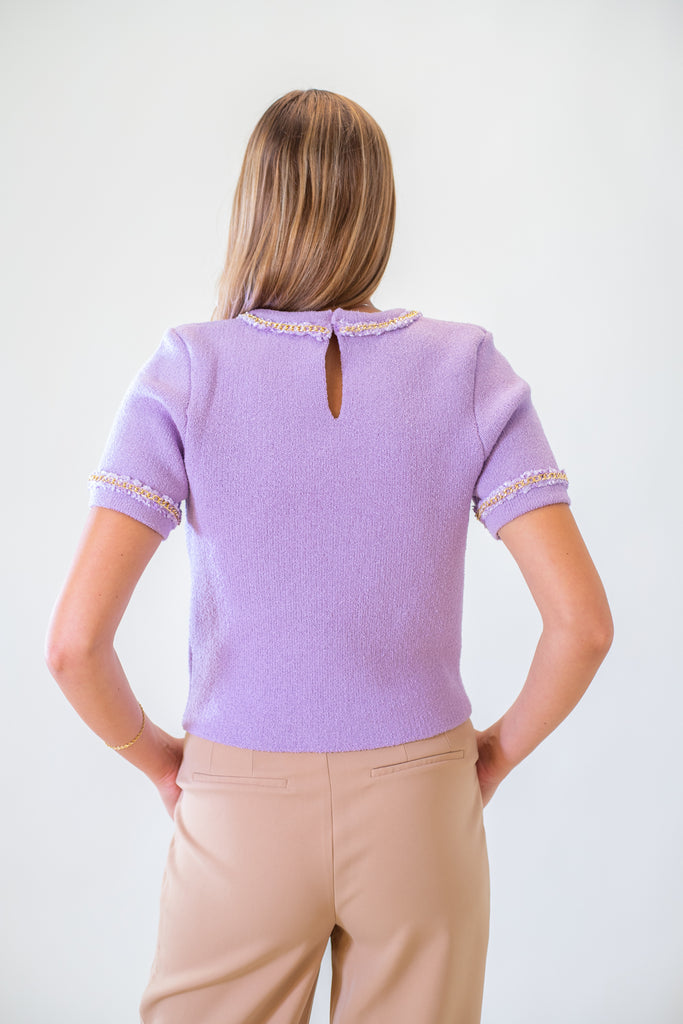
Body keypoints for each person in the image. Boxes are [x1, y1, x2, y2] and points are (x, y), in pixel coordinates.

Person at [44, 88, 614, 1024]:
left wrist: (159, 764)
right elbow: (581, 626)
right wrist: (491, 761)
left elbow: (73, 646)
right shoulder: (467, 367)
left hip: (237, 807)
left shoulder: (188, 369)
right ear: (377, 210)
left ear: (255, 207)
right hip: (423, 804)